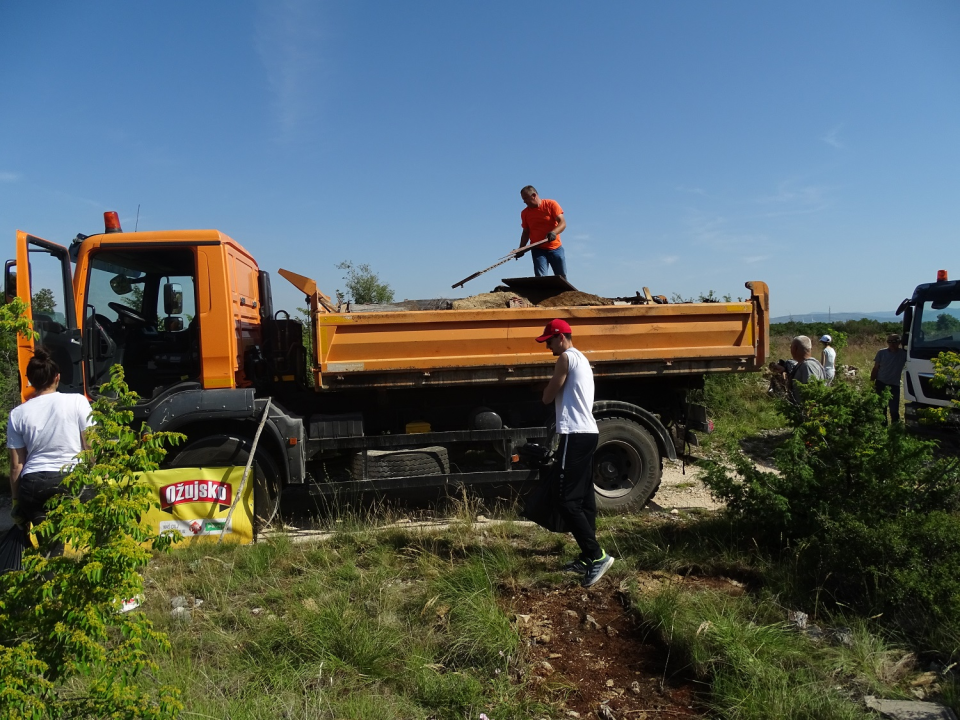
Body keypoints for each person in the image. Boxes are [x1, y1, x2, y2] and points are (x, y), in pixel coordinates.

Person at [537, 318, 614, 588]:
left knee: (565, 499)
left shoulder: (565, 359)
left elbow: (548, 396)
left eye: (549, 341)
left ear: (560, 337)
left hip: (575, 434)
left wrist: (545, 392)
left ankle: (596, 555)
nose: (547, 347)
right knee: (583, 499)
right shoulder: (581, 357)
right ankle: (586, 556)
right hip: (588, 433)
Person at [7, 347, 95, 546]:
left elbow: (16, 466)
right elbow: (91, 446)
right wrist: (98, 475)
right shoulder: (77, 401)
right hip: (71, 479)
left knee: (49, 548)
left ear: (29, 380)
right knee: (94, 535)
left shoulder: (17, 414)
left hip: (33, 485)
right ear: (57, 377)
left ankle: (49, 570)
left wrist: (16, 501)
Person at [513, 185, 567, 278]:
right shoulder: (525, 213)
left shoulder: (551, 204)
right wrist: (521, 248)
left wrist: (553, 232)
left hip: (555, 248)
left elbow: (562, 223)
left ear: (534, 195)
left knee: (561, 277)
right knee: (541, 278)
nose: (524, 201)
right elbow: (526, 232)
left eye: (526, 198)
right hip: (538, 249)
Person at [871, 333, 908, 423]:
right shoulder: (881, 353)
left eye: (894, 341)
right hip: (881, 383)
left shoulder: (904, 354)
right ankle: (883, 428)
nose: (891, 344)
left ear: (899, 342)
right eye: (889, 341)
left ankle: (895, 428)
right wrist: (872, 382)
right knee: (881, 408)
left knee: (894, 409)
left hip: (894, 385)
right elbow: (875, 368)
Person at [785, 335, 825, 403]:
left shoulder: (808, 366)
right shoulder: (804, 364)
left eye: (791, 347)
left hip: (807, 411)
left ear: (795, 348)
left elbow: (811, 392)